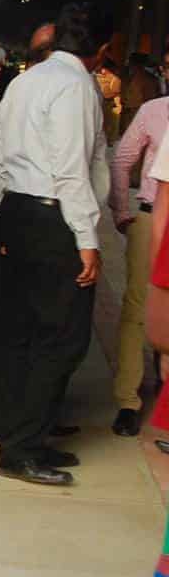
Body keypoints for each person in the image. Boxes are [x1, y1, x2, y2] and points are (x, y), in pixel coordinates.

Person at [0, 4, 106, 486]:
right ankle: (23, 448)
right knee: (62, 337)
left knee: (16, 326)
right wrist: (88, 238)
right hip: (54, 216)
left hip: (15, 209)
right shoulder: (76, 87)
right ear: (102, 48)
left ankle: (0, 420)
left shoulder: (25, 80)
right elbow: (72, 170)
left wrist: (0, 217)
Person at [109, 91, 169, 434]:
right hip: (151, 218)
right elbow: (122, 160)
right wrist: (120, 210)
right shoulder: (153, 110)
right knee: (138, 307)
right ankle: (128, 400)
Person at [121, 52, 160, 135]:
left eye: (131, 62)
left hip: (139, 116)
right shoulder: (128, 76)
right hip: (129, 115)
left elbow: (150, 100)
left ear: (138, 64)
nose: (129, 65)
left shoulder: (148, 79)